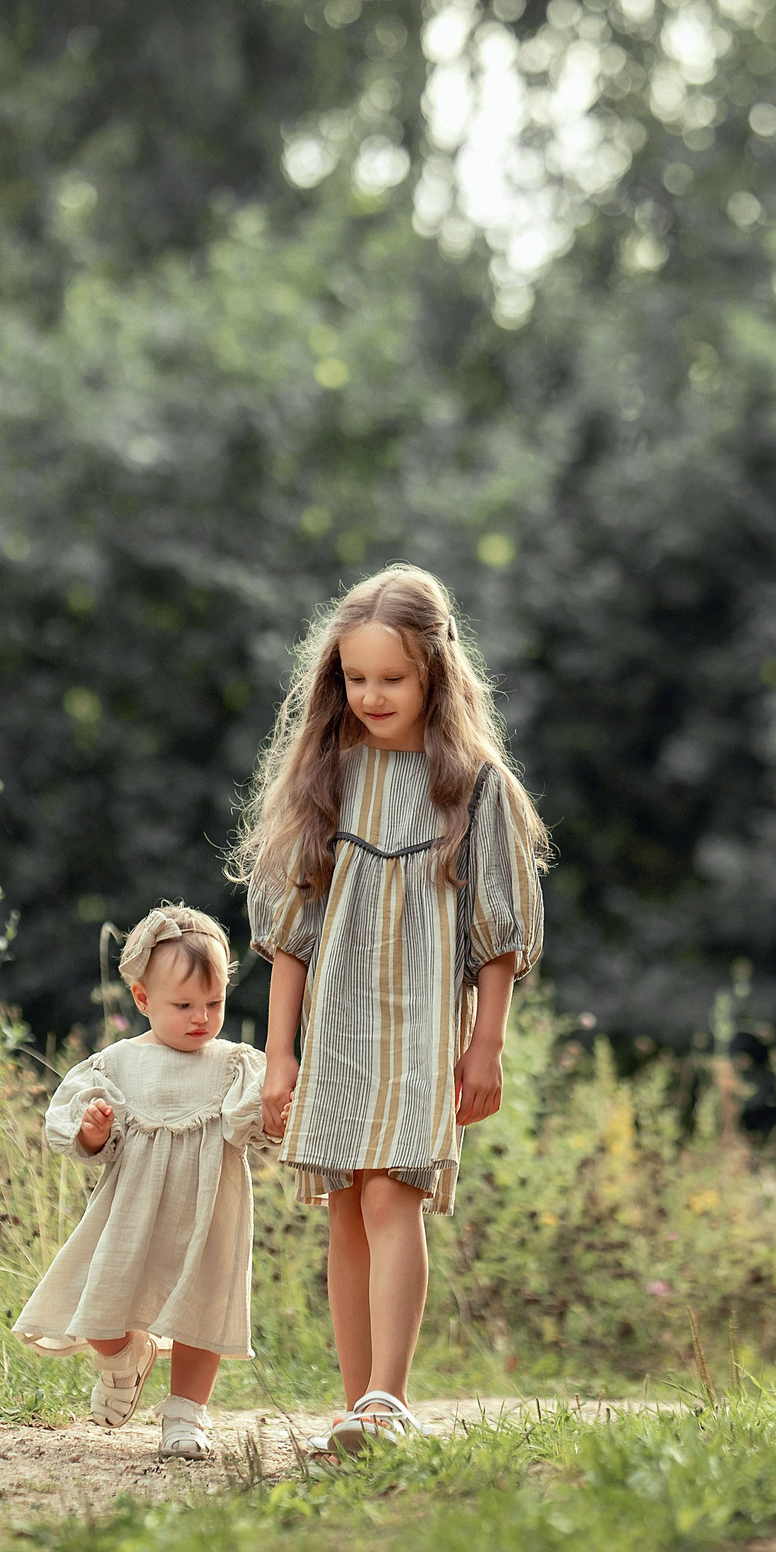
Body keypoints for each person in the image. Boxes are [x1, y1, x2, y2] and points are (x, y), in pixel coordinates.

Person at [231, 563, 547, 1450]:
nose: (372, 694)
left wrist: (487, 1044)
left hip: (418, 1026)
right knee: (343, 1202)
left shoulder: (475, 787)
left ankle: (388, 1399)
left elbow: (499, 931)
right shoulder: (324, 778)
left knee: (389, 1193)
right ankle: (354, 1407)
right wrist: (279, 1054)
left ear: (435, 675)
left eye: (392, 678)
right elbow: (290, 933)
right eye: (356, 677)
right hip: (335, 1025)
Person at [12, 905, 279, 1459]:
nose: (201, 1018)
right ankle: (120, 1359)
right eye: (183, 1005)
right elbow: (84, 1143)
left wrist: (274, 1113)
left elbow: (260, 1131)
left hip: (209, 1214)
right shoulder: (118, 1064)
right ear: (142, 1000)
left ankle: (186, 1415)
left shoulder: (234, 1064)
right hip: (131, 1214)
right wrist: (92, 1131)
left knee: (198, 1312)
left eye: (213, 1003)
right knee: (104, 1305)